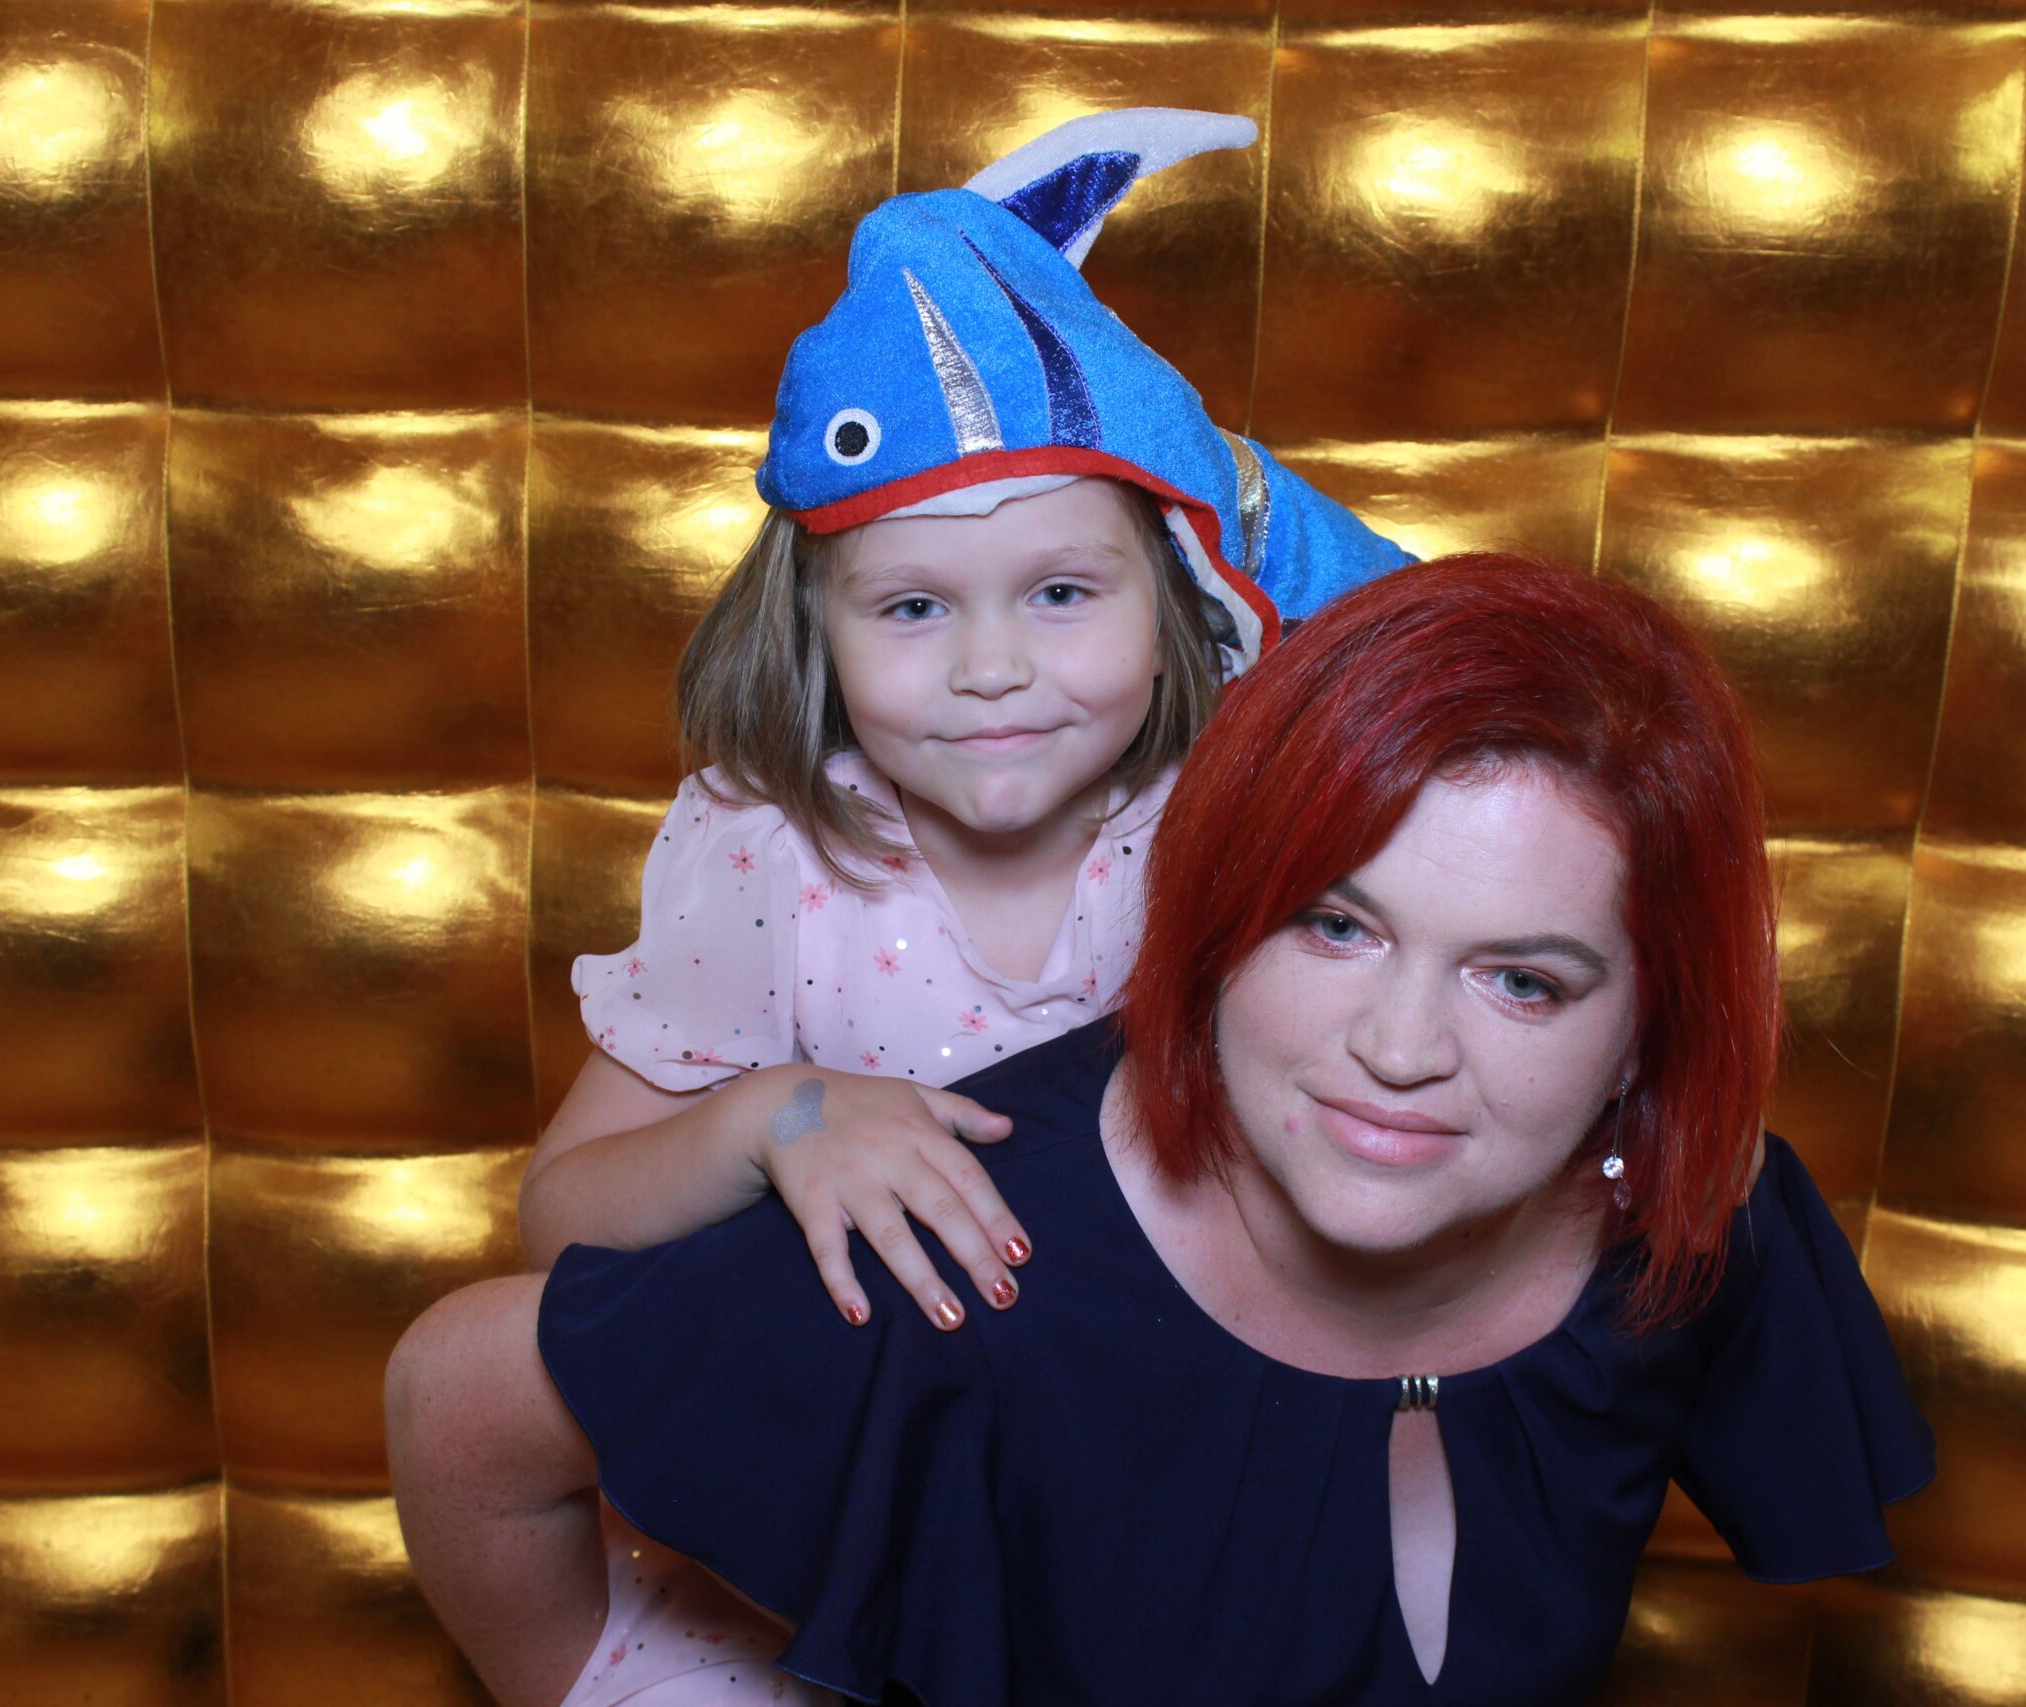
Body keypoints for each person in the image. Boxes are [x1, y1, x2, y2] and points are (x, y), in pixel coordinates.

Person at [388, 552, 1937, 1705]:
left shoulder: (1701, 1215)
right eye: (1334, 926)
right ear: (1214, 925)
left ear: (1650, 1034)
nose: (1400, 1051)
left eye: (1523, 981)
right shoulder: (977, 1257)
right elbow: (462, 1397)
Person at [499, 108, 1407, 1705]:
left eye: (1061, 593)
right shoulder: (767, 854)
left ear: (1177, 598)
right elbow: (557, 1223)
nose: (991, 668)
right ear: (818, 628)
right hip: (839, 1523)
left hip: (1163, 1524)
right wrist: (773, 1119)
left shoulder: (1245, 836)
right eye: (914, 607)